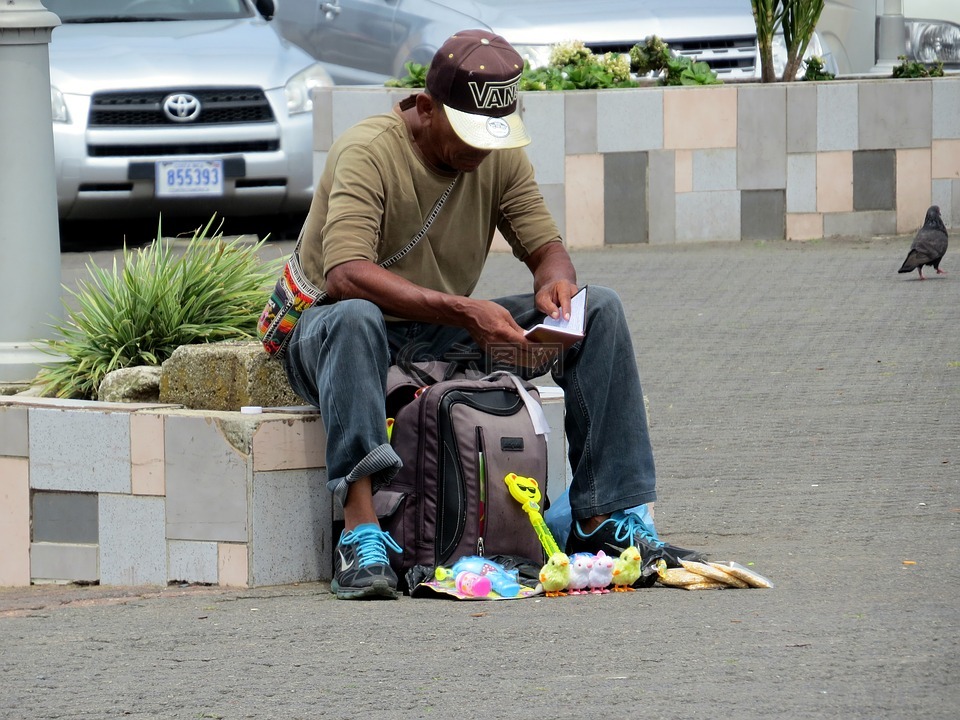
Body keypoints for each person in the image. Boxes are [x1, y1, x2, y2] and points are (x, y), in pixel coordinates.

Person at [282, 29, 704, 600]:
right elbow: (345, 273)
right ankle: (361, 530)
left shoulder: (498, 156)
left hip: (444, 334)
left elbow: (546, 249)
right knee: (358, 315)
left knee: (598, 309)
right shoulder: (369, 151)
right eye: (468, 134)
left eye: (491, 136)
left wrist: (557, 287)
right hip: (336, 335)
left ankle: (604, 516)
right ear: (426, 108)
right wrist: (466, 312)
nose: (481, 151)